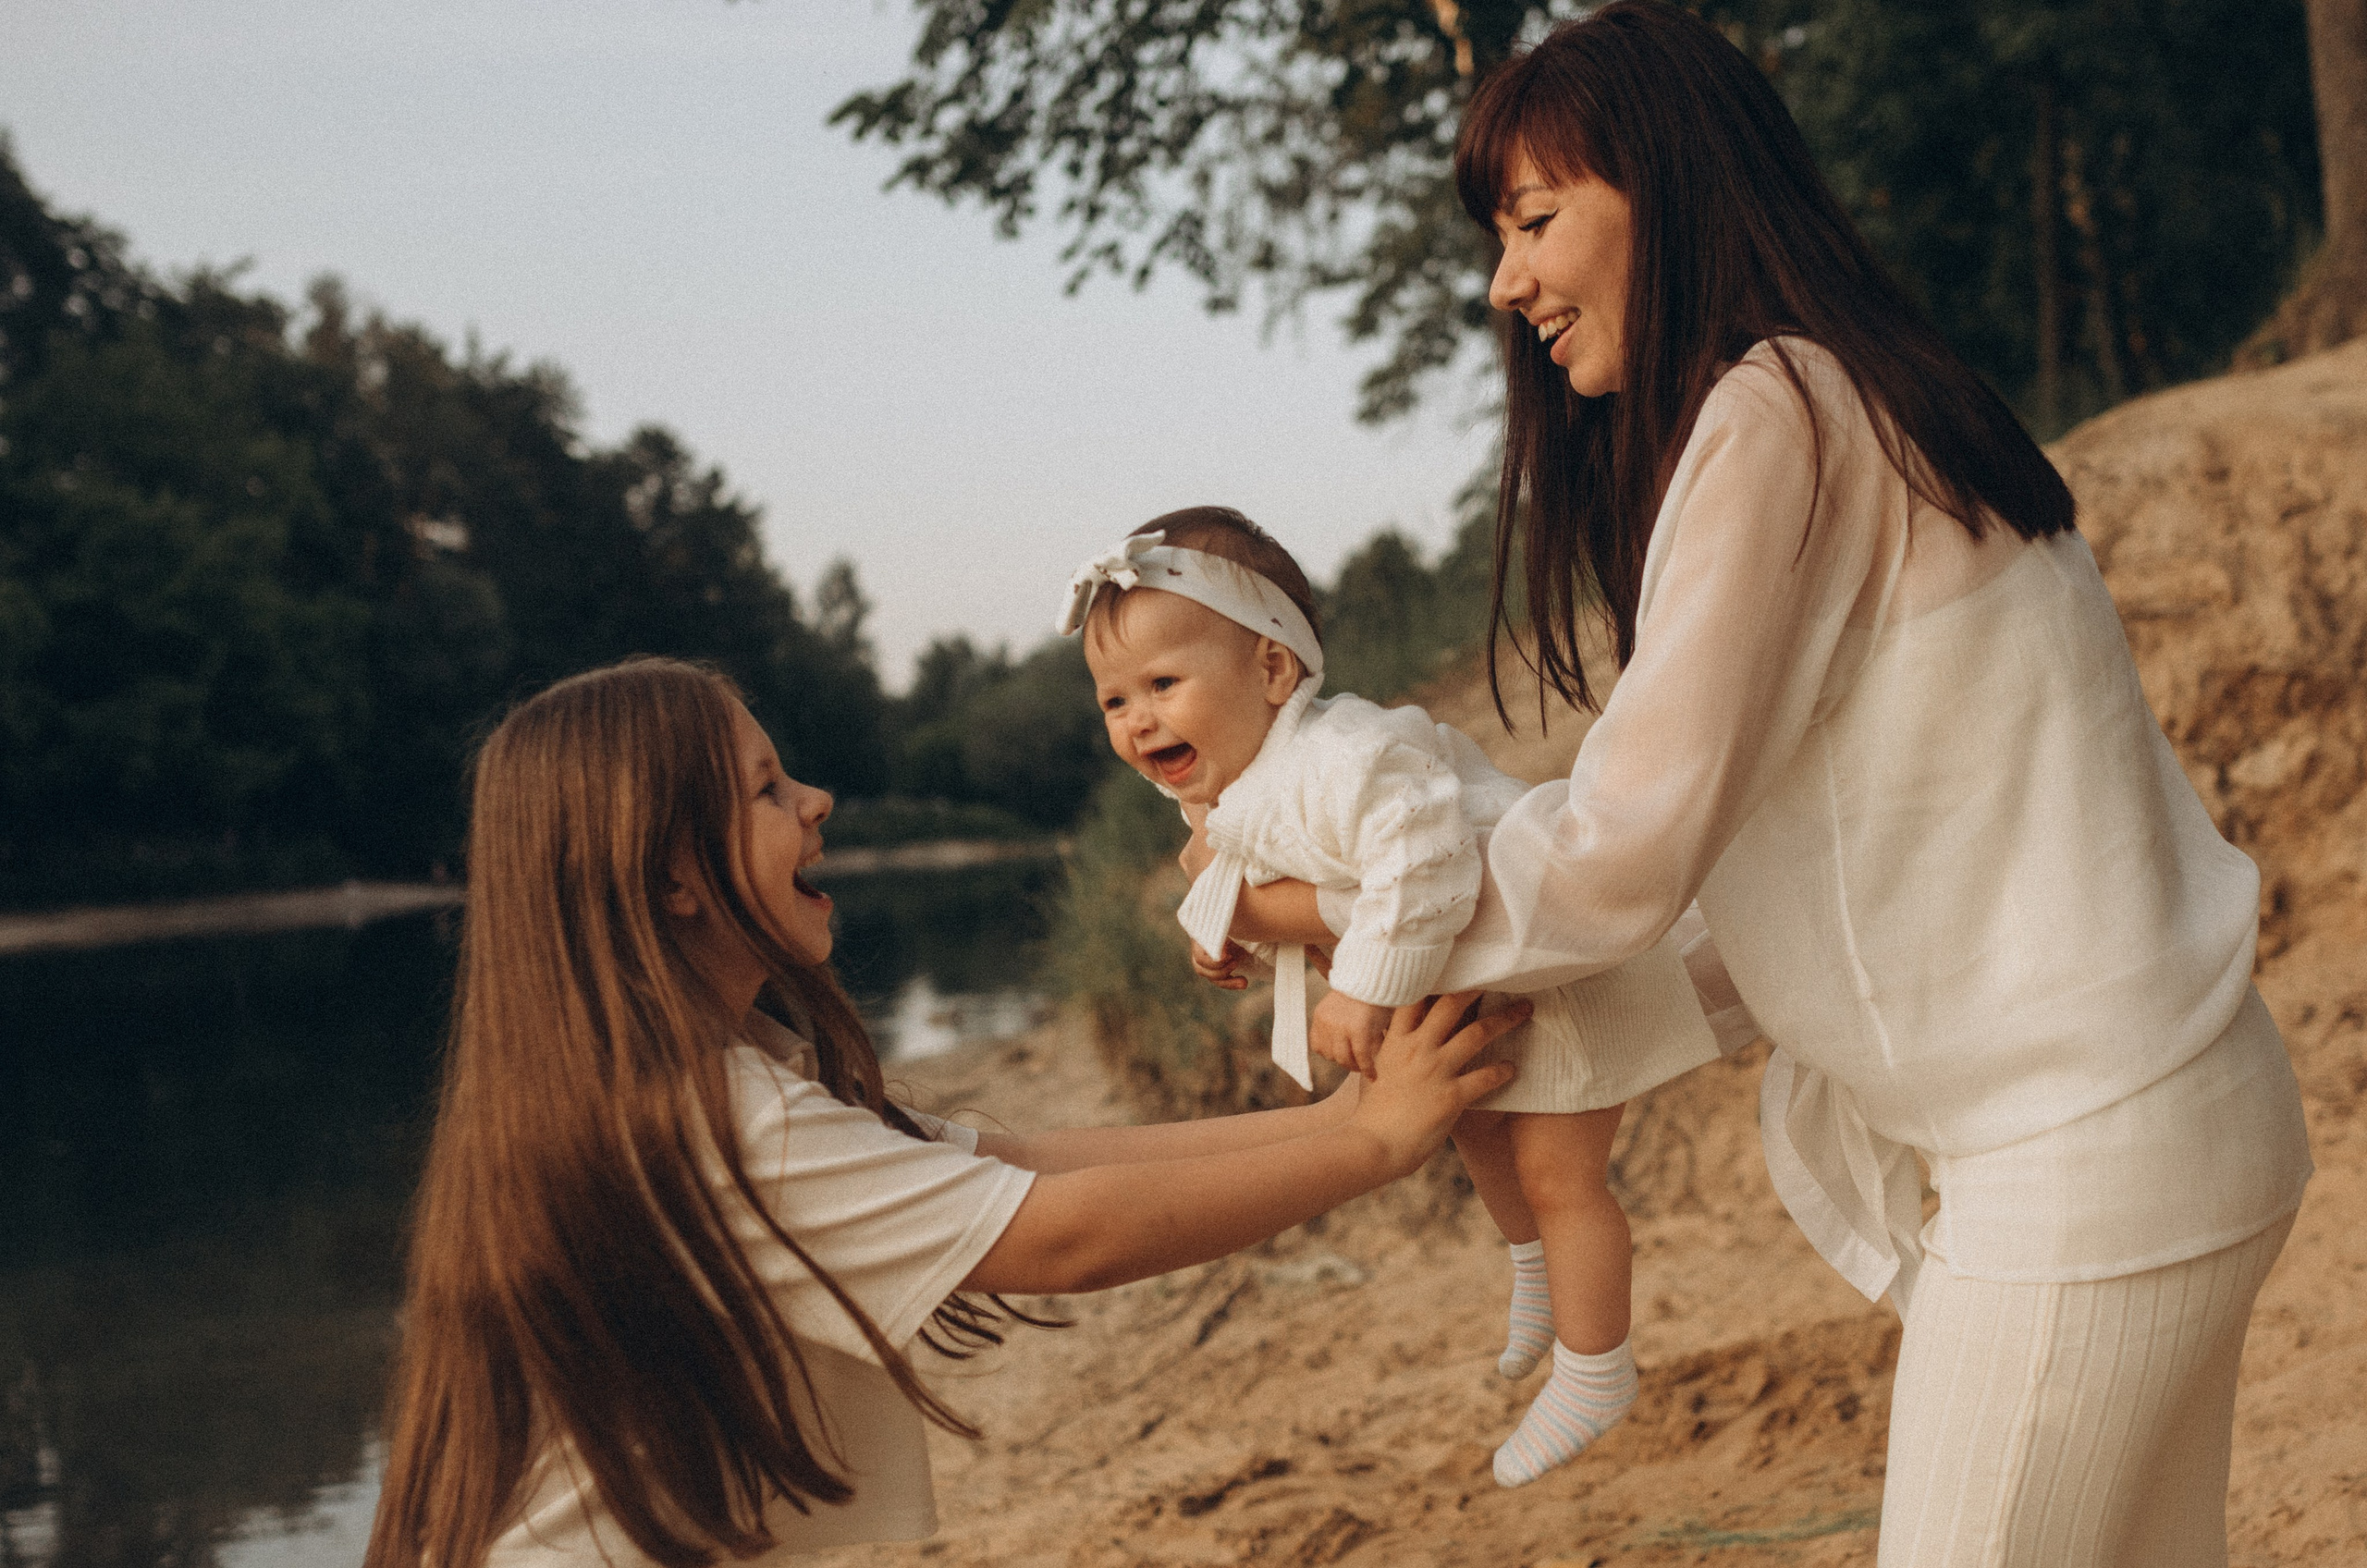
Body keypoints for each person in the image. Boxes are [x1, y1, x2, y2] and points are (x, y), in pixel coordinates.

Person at [1213, 5, 2313, 1562]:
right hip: (2176, 1118)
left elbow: (1619, 852)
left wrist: (1329, 909)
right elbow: (1815, 885)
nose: (1501, 279)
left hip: (2084, 1162)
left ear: (1667, 187)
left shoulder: (1775, 412)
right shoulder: (1871, 394)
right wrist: (1520, 1005)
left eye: (1534, 220)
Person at [359, 656, 1527, 1568]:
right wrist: (1375, 1144)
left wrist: (1354, 1115)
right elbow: (1063, 1234)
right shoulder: (724, 1119)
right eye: (767, 789)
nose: (816, 799)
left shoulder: (688, 1081)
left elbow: (1024, 1161)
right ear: (671, 878)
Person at [1060, 505, 1720, 1487]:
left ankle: (1596, 1366)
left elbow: (1422, 850)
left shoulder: (1343, 754)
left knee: (1558, 1174)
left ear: (1274, 671)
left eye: (1162, 683)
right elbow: (1266, 877)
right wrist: (1227, 931)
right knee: (1474, 1124)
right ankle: (1535, 1279)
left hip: (1552, 959)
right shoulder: (1228, 781)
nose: (1137, 718)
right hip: (1466, 971)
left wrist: (1362, 990)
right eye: (1114, 700)